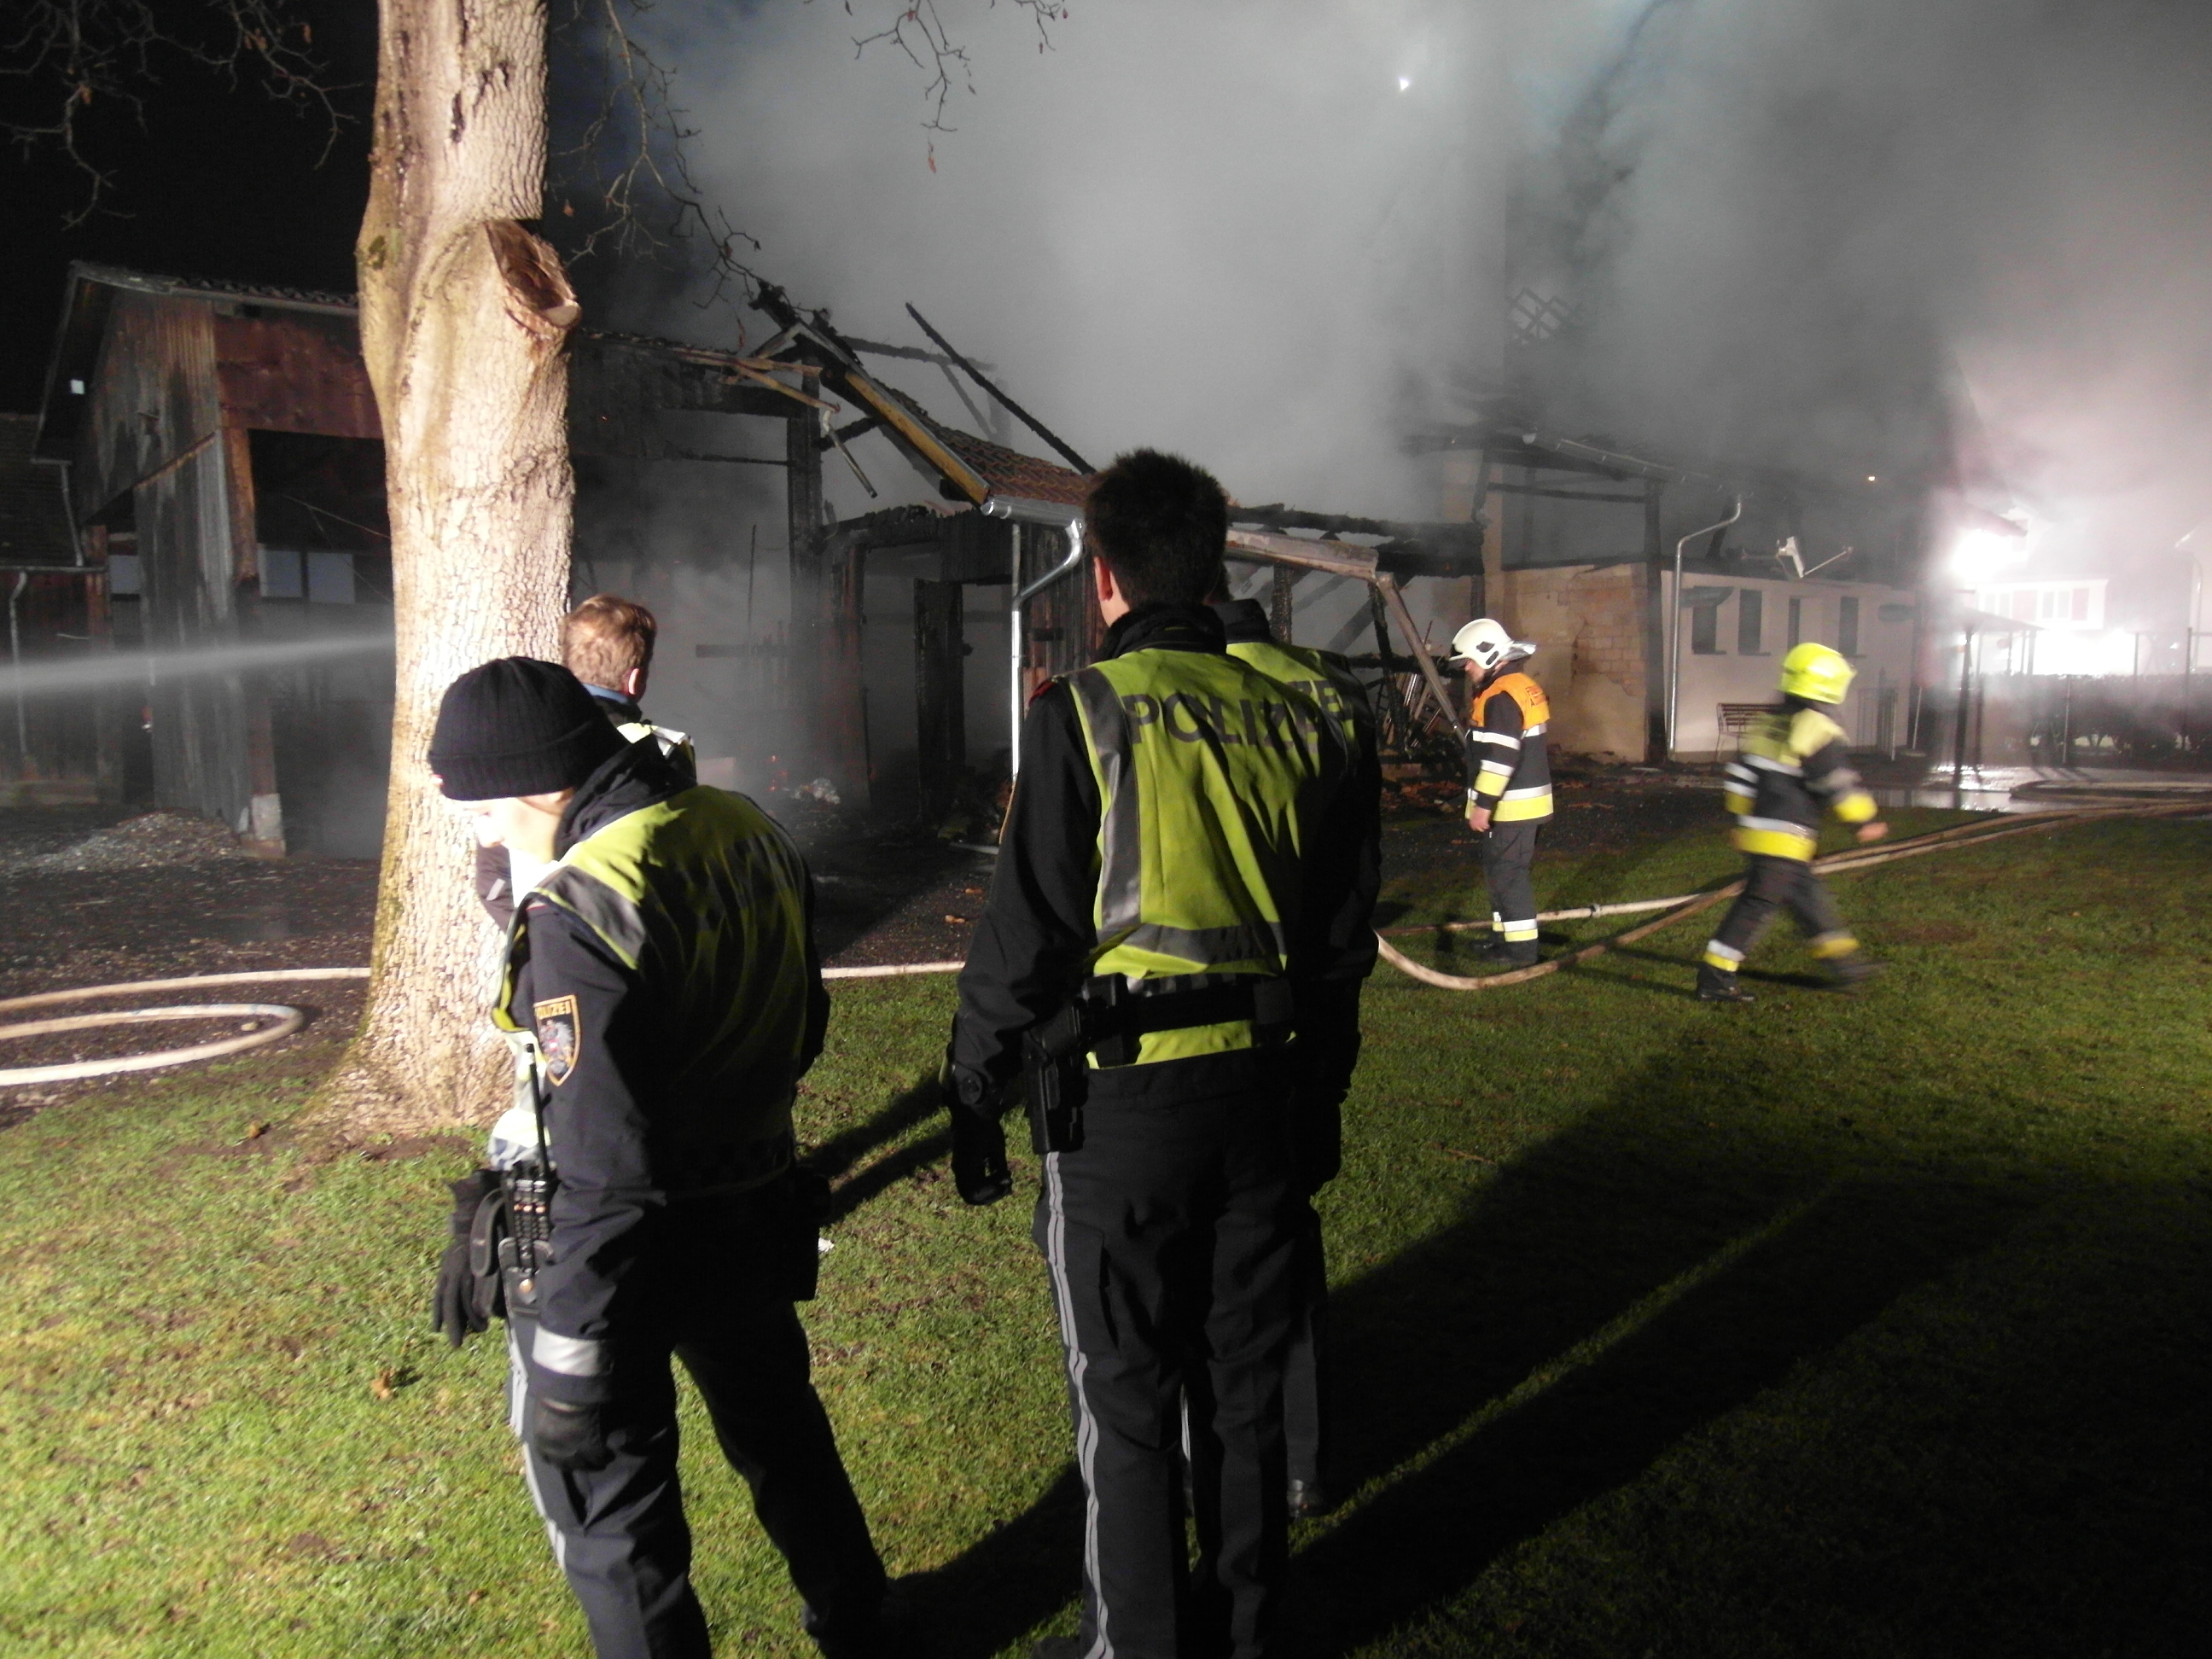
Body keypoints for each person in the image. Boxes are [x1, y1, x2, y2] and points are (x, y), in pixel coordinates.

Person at [944, 450, 1370, 1659]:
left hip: (1123, 1108)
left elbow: (1025, 940)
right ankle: (1247, 1634)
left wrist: (974, 1085)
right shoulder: (1310, 708)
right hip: (1267, 1089)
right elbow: (1343, 939)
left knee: (1126, 1400)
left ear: (1106, 576)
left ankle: (1135, 1646)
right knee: (1245, 1386)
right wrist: (1321, 1095)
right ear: (1214, 563)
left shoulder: (1085, 713)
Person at [427, 657, 889, 1659]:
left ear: (541, 782)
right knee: (783, 1435)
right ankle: (868, 1629)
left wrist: (569, 1361)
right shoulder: (745, 827)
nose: (481, 832)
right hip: (751, 1202)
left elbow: (605, 1161)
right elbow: (805, 1022)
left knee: (612, 1511)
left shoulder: (580, 903)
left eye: (483, 807)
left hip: (628, 1247)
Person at [1208, 585, 1381, 1520]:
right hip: (1331, 990)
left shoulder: (1207, 694)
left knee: (1226, 1236)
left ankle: (1234, 1451)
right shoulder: (1334, 685)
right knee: (1288, 1223)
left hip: (1244, 1003)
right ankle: (1308, 1461)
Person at [475, 594, 695, 930]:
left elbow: (493, 880)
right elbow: (683, 866)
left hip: (544, 935)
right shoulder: (665, 751)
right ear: (635, 680)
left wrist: (533, 936)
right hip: (634, 940)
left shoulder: (520, 743)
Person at [1699, 641, 1889, 1003]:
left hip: (1759, 833)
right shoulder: (1816, 727)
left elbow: (1739, 777)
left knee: (1808, 900)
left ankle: (1845, 965)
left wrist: (1738, 820)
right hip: (1786, 836)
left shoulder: (1767, 724)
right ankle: (1715, 978)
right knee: (1756, 907)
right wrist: (1864, 821)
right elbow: (1837, 782)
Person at [1448, 617, 1552, 967]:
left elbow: (1499, 760)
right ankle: (1501, 941)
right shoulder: (1517, 687)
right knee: (1500, 874)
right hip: (1518, 805)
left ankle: (1521, 951)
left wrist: (1483, 805)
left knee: (1509, 877)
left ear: (1489, 655)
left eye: (1469, 660)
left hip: (1511, 807)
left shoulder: (1501, 698)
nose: (1466, 668)